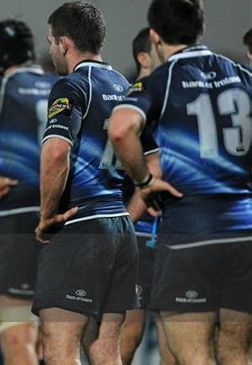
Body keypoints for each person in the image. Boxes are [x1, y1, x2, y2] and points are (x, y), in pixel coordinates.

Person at [109, 0, 251, 365]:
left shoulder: (162, 79)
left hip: (191, 233)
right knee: (238, 355)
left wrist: (143, 182)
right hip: (246, 232)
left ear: (155, 36)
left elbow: (122, 129)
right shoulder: (241, 74)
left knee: (192, 356)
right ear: (200, 29)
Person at [31, 1, 138, 365]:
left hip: (80, 226)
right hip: (121, 228)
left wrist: (47, 214)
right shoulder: (126, 87)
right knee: (106, 349)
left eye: (49, 42)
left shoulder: (72, 85)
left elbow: (56, 154)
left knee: (60, 346)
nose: (50, 50)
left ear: (64, 43)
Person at [0, 19, 58, 365]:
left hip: (16, 224)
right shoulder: (67, 87)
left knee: (19, 342)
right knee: (58, 347)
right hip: (67, 224)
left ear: (1, 55)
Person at [120, 28, 176, 365]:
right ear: (144, 57)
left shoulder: (173, 97)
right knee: (127, 335)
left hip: (174, 233)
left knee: (176, 336)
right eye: (162, 51)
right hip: (136, 233)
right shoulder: (130, 104)